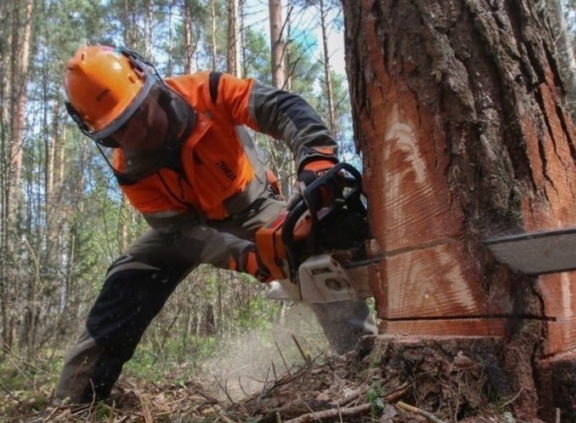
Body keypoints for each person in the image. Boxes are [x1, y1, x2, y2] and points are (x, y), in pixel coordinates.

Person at [56, 45, 376, 403]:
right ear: (105, 134)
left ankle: (364, 362)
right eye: (122, 129)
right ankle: (76, 400)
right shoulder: (130, 170)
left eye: (140, 113)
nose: (141, 131)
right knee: (128, 276)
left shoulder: (206, 91)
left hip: (252, 205)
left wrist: (315, 155)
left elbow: (281, 107)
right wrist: (246, 257)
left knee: (310, 247)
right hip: (185, 226)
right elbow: (181, 233)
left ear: (149, 85)